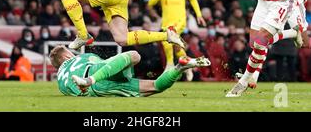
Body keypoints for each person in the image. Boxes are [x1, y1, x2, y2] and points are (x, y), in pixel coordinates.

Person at [49, 45, 210, 97]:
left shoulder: (60, 84)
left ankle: (180, 66)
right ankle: (178, 67)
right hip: (94, 75)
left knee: (154, 87)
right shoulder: (83, 57)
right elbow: (106, 64)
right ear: (65, 57)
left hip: (95, 91)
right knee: (134, 56)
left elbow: (71, 92)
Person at [147, 0, 206, 81]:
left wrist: (199, 15)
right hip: (166, 22)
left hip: (180, 22)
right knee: (177, 47)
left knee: (167, 41)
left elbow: (193, 0)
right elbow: (150, 3)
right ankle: (188, 65)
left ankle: (169, 66)